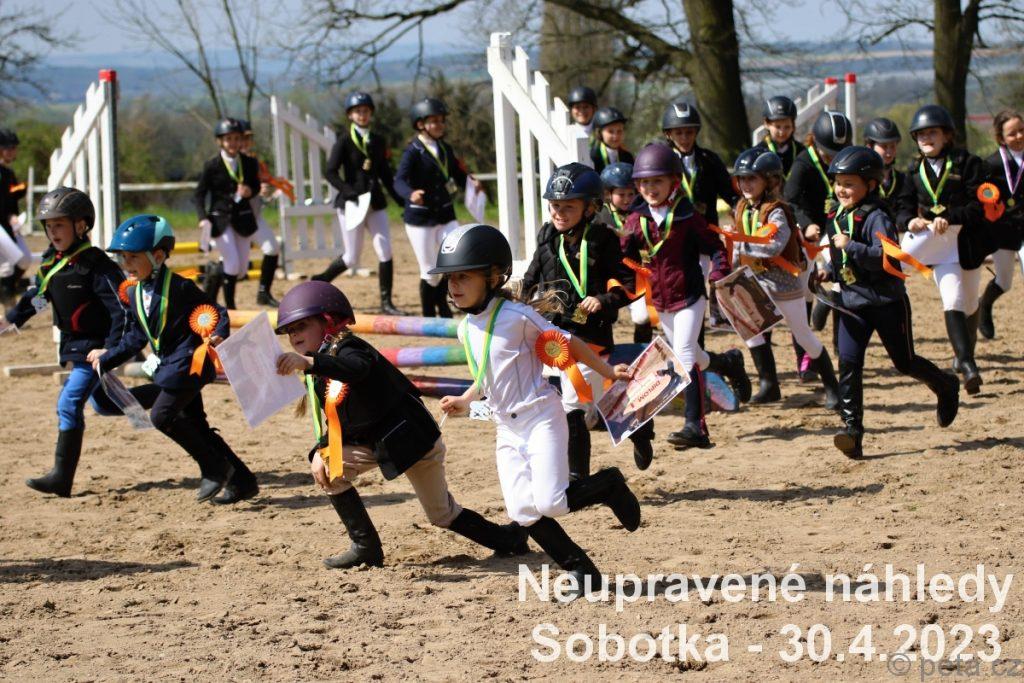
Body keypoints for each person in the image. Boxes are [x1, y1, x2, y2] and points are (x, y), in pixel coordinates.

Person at [436, 223, 642, 594]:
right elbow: (486, 376)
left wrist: (608, 371)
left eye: (463, 276)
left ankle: (608, 484)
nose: (454, 285)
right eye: (450, 278)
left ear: (493, 276)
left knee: (552, 502)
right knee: (522, 512)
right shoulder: (466, 328)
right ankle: (583, 572)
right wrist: (466, 400)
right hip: (506, 429)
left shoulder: (516, 316)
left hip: (540, 418)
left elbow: (569, 341)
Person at [273, 281, 529, 568]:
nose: (294, 335)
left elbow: (357, 369)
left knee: (442, 515)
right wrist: (322, 450)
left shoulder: (349, 348)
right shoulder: (319, 366)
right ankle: (365, 547)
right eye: (290, 331)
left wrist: (309, 363)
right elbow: (337, 420)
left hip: (414, 442)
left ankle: (510, 539)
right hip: (377, 443)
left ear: (328, 321)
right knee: (327, 468)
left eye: (302, 326)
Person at [92, 214, 259, 504]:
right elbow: (136, 336)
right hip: (169, 367)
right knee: (196, 425)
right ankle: (243, 481)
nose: (126, 264)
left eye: (133, 257)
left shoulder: (181, 287)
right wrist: (109, 357)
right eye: (123, 258)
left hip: (188, 366)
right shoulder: (134, 291)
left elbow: (216, 311)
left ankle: (213, 468)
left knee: (161, 416)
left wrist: (218, 334)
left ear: (157, 256)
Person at [820, 146, 959, 458]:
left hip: (886, 303)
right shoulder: (836, 215)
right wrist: (828, 271)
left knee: (904, 362)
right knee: (849, 364)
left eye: (850, 184)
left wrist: (851, 246)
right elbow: (842, 256)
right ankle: (852, 431)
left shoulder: (877, 217)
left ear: (870, 185)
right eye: (839, 183)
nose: (841, 190)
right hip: (852, 303)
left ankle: (945, 385)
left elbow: (884, 258)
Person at [521, 163, 654, 474]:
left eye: (569, 207)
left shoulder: (604, 239)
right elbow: (530, 279)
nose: (559, 213)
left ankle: (578, 475)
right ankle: (638, 427)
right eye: (555, 206)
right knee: (589, 404)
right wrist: (521, 301)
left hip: (590, 336)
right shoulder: (547, 238)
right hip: (553, 335)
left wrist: (604, 300)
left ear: (591, 207)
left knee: (574, 406)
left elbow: (629, 284)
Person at [620, 143, 751, 450]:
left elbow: (715, 247)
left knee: (684, 357)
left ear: (674, 182)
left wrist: (719, 273)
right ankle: (728, 362)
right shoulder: (635, 219)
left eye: (658, 181)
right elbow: (624, 256)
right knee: (696, 357)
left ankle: (696, 427)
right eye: (644, 183)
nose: (650, 189)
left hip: (691, 296)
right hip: (661, 301)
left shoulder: (688, 216)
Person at [1, 188, 126, 497]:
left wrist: (111, 348)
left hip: (94, 348)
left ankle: (61, 478)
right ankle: (167, 396)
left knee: (68, 403)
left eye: (59, 224)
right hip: (73, 345)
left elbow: (121, 309)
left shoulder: (97, 266)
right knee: (105, 404)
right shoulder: (52, 263)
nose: (52, 232)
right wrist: (12, 319)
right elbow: (42, 298)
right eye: (48, 226)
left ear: (80, 225)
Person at [726, 148, 839, 407]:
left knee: (802, 334)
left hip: (783, 283)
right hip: (755, 280)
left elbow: (773, 246)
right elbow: (740, 243)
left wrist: (738, 243)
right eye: (742, 179)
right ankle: (769, 384)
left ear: (771, 181)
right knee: (750, 330)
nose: (745, 184)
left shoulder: (777, 211)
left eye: (752, 178)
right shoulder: (742, 207)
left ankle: (832, 385)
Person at [894, 104, 991, 395]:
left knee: (970, 304)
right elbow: (902, 207)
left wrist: (950, 217)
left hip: (967, 243)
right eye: (921, 134)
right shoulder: (913, 171)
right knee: (952, 299)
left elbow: (977, 206)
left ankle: (964, 354)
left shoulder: (967, 164)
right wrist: (909, 221)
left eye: (932, 133)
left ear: (946, 135)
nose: (926, 138)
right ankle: (968, 364)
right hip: (939, 248)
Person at [311, 92, 406, 316]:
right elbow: (330, 172)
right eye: (357, 112)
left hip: (375, 203)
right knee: (352, 257)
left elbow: (385, 174)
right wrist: (348, 191)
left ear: (370, 113)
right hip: (352, 203)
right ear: (350, 115)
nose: (362, 115)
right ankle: (320, 280)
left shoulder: (378, 140)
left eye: (365, 111)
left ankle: (386, 302)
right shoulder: (344, 141)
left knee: (385, 250)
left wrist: (401, 201)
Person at [394, 97, 485, 318]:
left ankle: (444, 308)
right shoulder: (413, 151)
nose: (440, 125)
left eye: (442, 121)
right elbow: (399, 180)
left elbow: (457, 173)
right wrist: (410, 194)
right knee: (429, 271)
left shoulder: (445, 148)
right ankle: (428, 315)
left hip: (445, 214)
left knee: (452, 261)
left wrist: (471, 181)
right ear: (420, 124)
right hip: (421, 218)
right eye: (434, 121)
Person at [785, 110, 854, 378]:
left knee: (844, 281)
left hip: (839, 229)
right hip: (812, 234)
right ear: (815, 142)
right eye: (828, 154)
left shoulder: (849, 160)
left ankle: (841, 346)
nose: (833, 160)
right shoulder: (803, 163)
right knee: (804, 295)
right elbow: (791, 200)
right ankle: (804, 359)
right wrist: (805, 224)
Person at [194, 117, 261, 310]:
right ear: (220, 141)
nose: (233, 143)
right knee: (232, 263)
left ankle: (214, 272)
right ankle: (230, 308)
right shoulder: (211, 165)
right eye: (228, 139)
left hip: (242, 219)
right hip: (219, 220)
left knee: (241, 270)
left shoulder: (249, 163)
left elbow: (256, 186)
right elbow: (199, 194)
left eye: (236, 139)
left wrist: (250, 191)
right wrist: (202, 217)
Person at [977, 110, 1024, 339]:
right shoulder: (992, 164)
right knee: (1004, 283)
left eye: (1022, 130)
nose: (1019, 136)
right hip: (1002, 230)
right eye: (1012, 133)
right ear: (1001, 137)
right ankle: (984, 305)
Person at [660, 101, 738, 228]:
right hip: (675, 231)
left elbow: (729, 192)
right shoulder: (662, 163)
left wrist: (740, 207)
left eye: (689, 132)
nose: (684, 138)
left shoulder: (710, 160)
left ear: (696, 132)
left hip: (707, 229)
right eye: (678, 133)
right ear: (668, 134)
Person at [598, 162, 651, 344]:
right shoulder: (600, 215)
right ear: (608, 194)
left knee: (643, 317)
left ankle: (641, 354)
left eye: (631, 194)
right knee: (603, 316)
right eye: (621, 194)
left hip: (634, 277)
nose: (627, 199)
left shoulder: (643, 213)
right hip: (607, 276)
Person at [237, 119, 282, 307]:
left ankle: (264, 292)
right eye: (243, 139)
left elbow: (262, 187)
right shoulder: (232, 163)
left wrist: (266, 191)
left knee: (272, 248)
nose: (247, 142)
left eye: (249, 139)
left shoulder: (255, 162)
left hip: (254, 217)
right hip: (235, 220)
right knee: (235, 267)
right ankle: (211, 293)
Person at [0, 128, 33, 303]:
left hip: (8, 224)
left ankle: (9, 290)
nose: (14, 151)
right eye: (10, 147)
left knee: (25, 260)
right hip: (2, 223)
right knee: (7, 265)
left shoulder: (8, 172)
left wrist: (22, 189)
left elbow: (10, 196)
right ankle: (8, 308)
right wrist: (8, 216)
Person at [753, 96, 805, 179]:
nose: (782, 132)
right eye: (777, 127)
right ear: (766, 124)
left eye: (787, 127)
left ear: (793, 126)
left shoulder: (801, 151)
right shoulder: (758, 153)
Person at [863, 117, 906, 214]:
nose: (889, 152)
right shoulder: (862, 180)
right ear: (869, 146)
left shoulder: (903, 180)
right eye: (884, 146)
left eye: (892, 146)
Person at [589, 107, 634, 174]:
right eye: (610, 132)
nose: (616, 136)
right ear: (599, 133)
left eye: (619, 131)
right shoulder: (593, 157)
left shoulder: (627, 157)